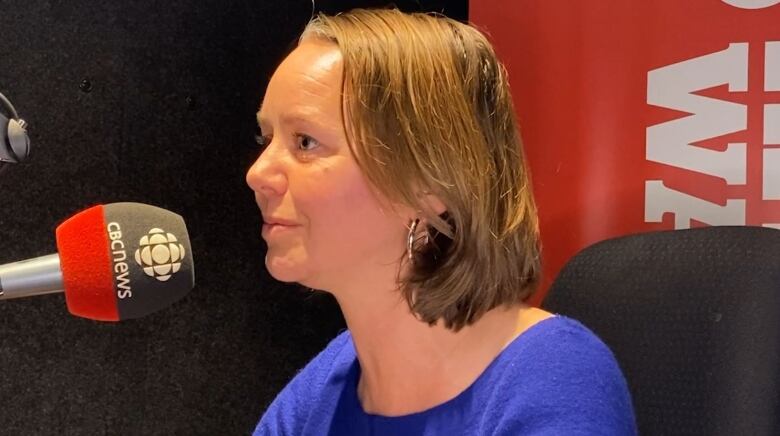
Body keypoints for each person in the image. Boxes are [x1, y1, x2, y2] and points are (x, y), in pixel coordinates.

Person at [246, 8, 637, 435]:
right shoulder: (325, 388)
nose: (258, 174)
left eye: (305, 142)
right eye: (266, 139)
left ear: (428, 182)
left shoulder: (555, 380)